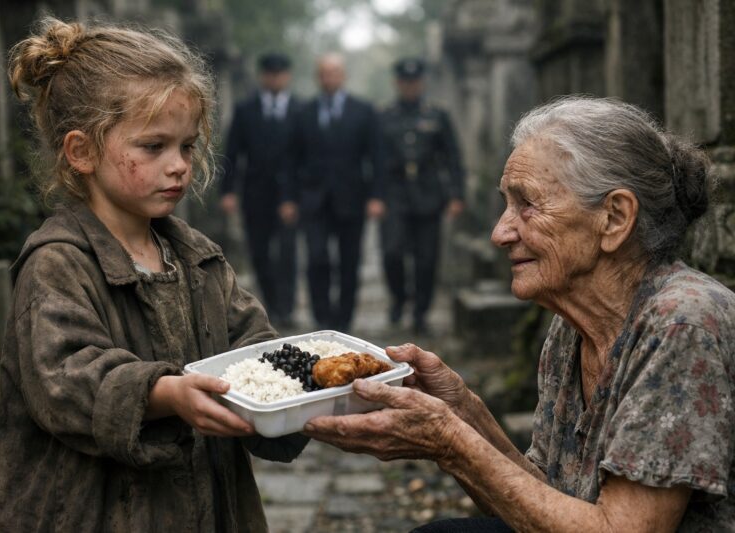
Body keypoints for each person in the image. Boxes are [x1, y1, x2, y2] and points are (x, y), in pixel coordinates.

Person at [303, 96, 735, 531]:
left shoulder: (682, 323)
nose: (500, 232)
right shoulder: (571, 328)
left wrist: (451, 442)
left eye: (526, 204)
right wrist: (461, 415)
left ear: (614, 218)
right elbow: (544, 500)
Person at [0, 18, 307, 532]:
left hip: (208, 505)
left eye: (186, 146)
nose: (179, 165)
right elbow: (65, 380)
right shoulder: (58, 263)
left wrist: (304, 389)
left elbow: (255, 348)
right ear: (82, 151)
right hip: (96, 511)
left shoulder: (198, 258)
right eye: (153, 146)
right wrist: (163, 394)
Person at [279, 53, 384, 332]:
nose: (330, 78)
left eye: (335, 72)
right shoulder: (303, 112)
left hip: (352, 199)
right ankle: (321, 316)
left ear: (343, 75)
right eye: (324, 73)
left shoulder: (363, 111)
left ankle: (344, 319)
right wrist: (288, 198)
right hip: (313, 201)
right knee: (316, 258)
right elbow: (290, 159)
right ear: (318, 77)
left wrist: (376, 196)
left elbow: (377, 157)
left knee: (349, 261)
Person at [379, 58, 465, 334]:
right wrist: (375, 196)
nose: (410, 87)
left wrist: (455, 195)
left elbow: (452, 157)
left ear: (422, 83)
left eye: (414, 82)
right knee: (392, 252)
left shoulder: (437, 115)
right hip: (395, 195)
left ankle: (420, 312)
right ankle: (399, 297)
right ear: (397, 83)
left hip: (429, 195)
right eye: (405, 82)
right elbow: (374, 159)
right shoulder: (384, 116)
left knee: (426, 259)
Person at [220, 52, 299, 328]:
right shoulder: (246, 109)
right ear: (263, 76)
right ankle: (271, 306)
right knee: (260, 252)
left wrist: (294, 196)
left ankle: (287, 307)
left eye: (279, 74)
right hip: (255, 193)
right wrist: (228, 191)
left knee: (288, 253)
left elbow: (304, 157)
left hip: (290, 196)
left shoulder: (300, 110)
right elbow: (232, 151)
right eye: (270, 73)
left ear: (287, 76)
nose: (275, 79)